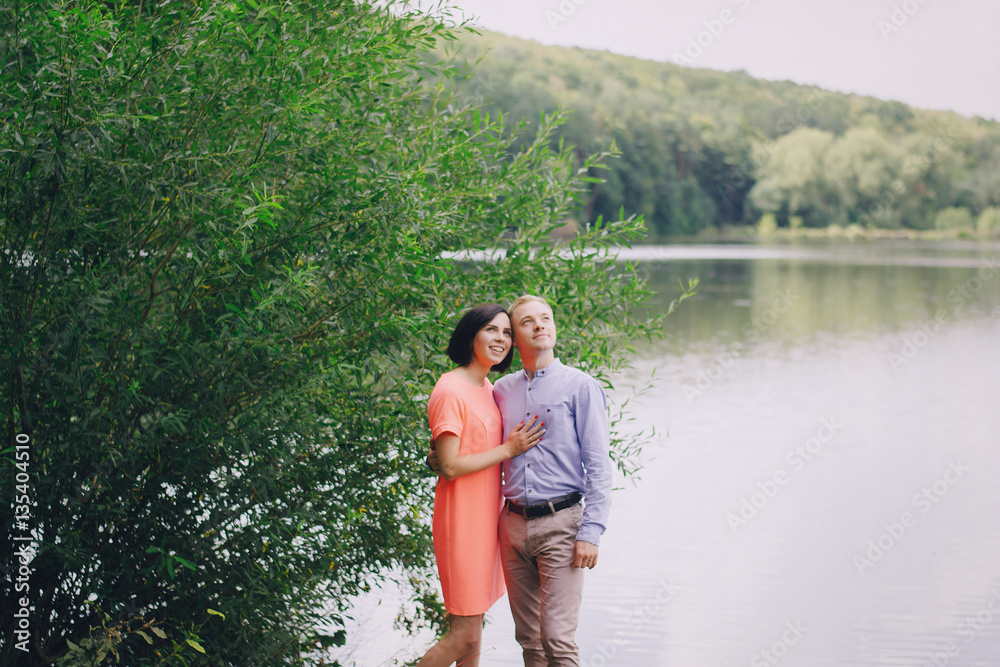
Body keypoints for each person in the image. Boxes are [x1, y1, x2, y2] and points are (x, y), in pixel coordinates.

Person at [418, 304, 545, 667]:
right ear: (470, 335)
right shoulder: (450, 389)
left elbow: (458, 451)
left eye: (507, 333)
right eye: (491, 329)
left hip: (488, 521)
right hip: (461, 521)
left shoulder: (488, 387)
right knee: (462, 635)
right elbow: (450, 466)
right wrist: (509, 449)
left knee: (473, 635)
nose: (500, 339)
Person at [493, 295, 613, 666]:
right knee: (529, 641)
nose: (539, 325)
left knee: (557, 639)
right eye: (527, 322)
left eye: (545, 318)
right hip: (512, 525)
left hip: (561, 524)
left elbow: (599, 465)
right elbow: (476, 440)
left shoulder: (581, 386)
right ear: (514, 339)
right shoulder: (500, 390)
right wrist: (438, 456)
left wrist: (591, 532)